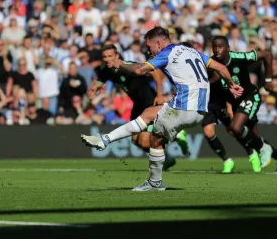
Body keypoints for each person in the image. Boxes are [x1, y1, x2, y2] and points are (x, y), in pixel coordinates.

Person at [81, 27, 243, 191]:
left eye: (149, 46)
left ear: (158, 43)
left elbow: (138, 70)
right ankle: (105, 140)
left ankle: (152, 180)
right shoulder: (191, 51)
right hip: (200, 111)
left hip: (182, 108)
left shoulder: (166, 53)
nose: (148, 50)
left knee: (152, 133)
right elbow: (221, 68)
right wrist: (232, 85)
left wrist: (120, 64)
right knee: (151, 123)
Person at [86, 44, 188, 152]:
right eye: (104, 57)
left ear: (116, 56)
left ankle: (175, 133)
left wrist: (159, 95)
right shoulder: (105, 70)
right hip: (138, 105)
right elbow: (98, 83)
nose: (107, 59)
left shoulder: (128, 66)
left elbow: (155, 72)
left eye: (110, 56)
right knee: (135, 141)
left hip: (149, 102)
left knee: (144, 141)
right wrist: (92, 91)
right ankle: (168, 156)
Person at [209, 35, 277, 169]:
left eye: (220, 47)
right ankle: (266, 149)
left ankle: (264, 148)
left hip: (250, 97)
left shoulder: (238, 57)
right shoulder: (211, 63)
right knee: (253, 137)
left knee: (235, 128)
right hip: (235, 103)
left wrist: (268, 81)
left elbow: (267, 54)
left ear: (228, 48)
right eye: (214, 47)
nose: (217, 50)